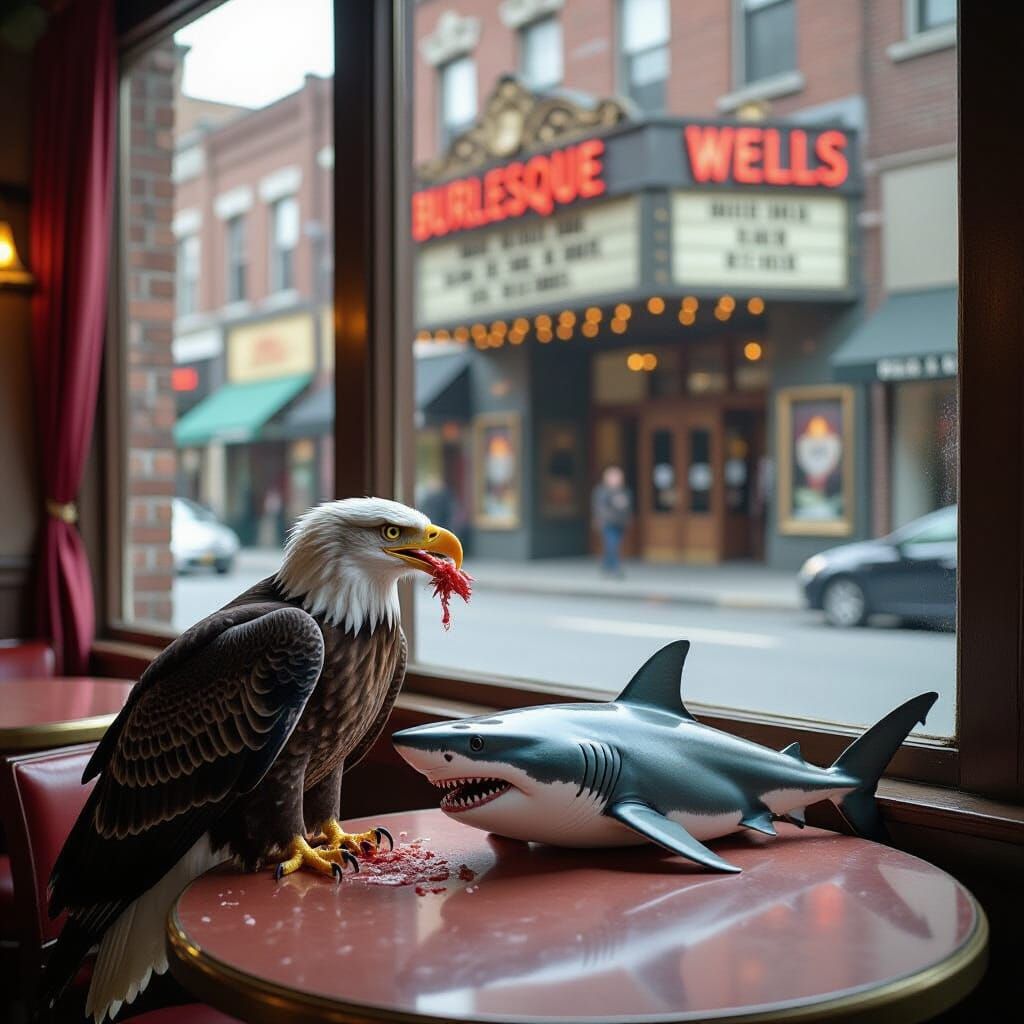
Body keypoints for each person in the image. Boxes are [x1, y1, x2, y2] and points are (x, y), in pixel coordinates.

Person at [591, 465, 633, 577]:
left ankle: (606, 565)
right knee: (611, 544)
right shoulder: (602, 491)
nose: (616, 479)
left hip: (620, 523)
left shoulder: (623, 491)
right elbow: (600, 508)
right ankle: (616, 568)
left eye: (617, 477)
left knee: (613, 544)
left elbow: (627, 507)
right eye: (613, 477)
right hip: (608, 523)